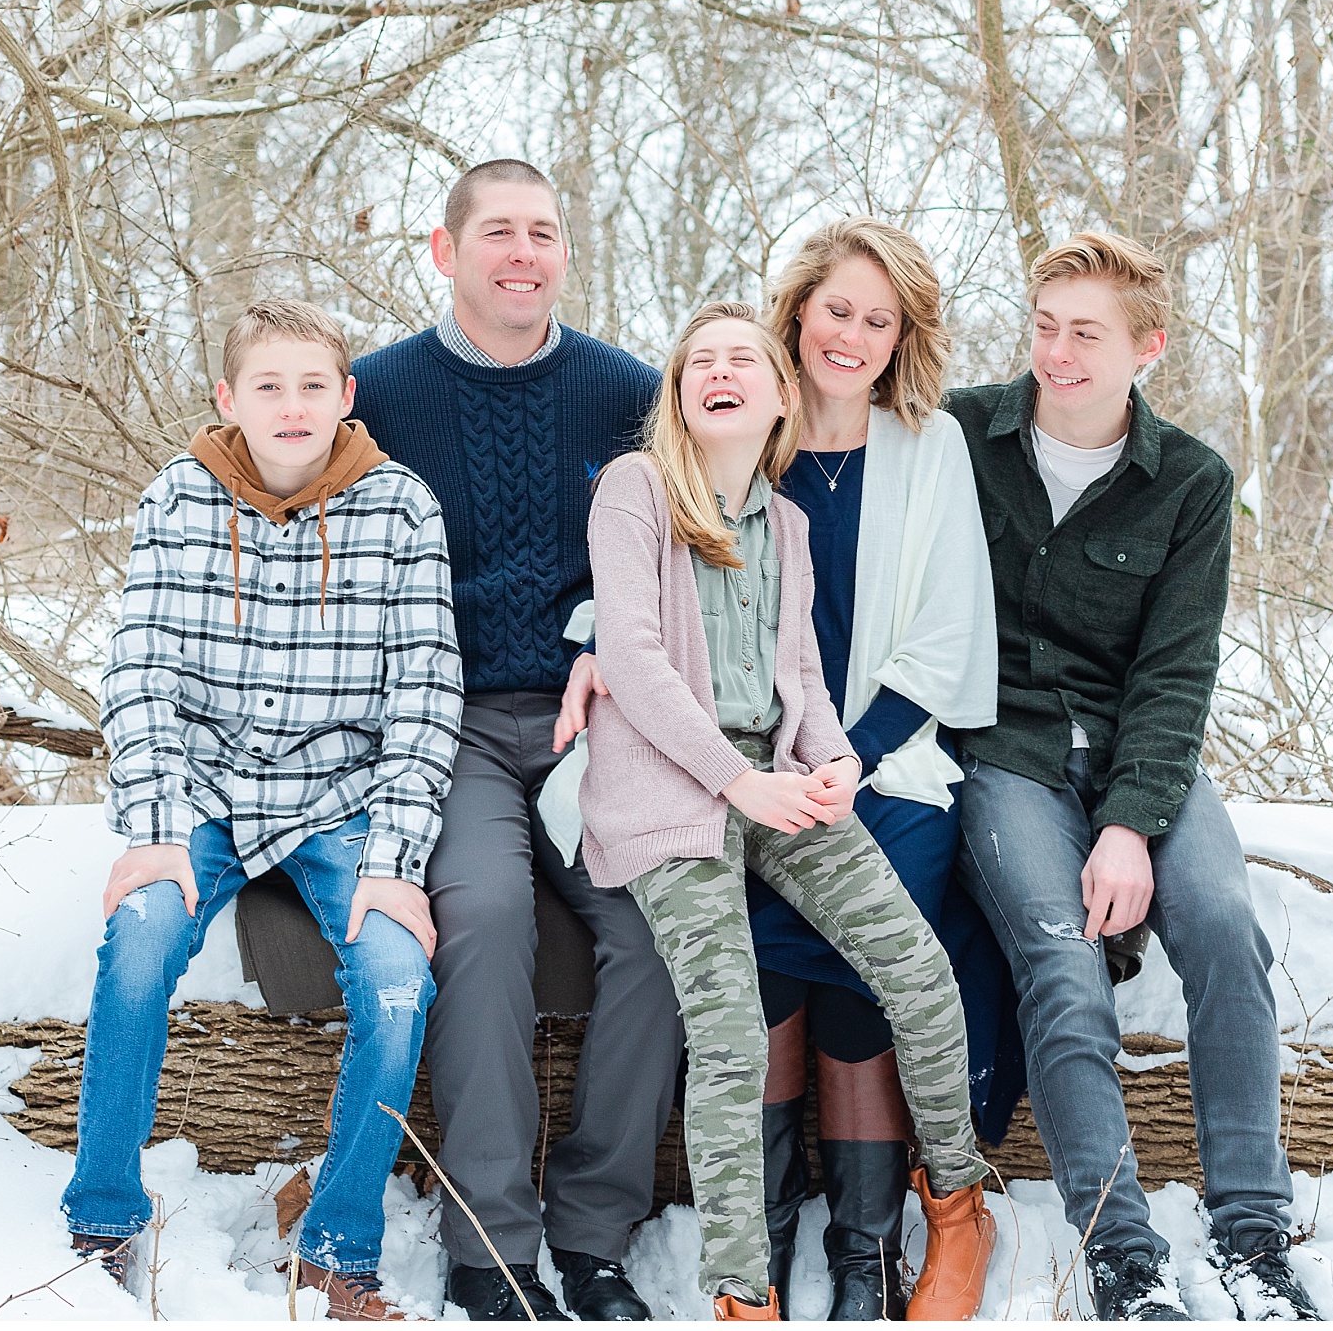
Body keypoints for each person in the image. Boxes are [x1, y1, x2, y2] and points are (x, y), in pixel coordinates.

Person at [557, 218, 1020, 1320]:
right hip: (689, 791)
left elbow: (801, 668)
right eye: (832, 309)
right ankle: (743, 1280)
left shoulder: (804, 507)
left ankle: (945, 1202)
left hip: (837, 766)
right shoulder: (640, 484)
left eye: (876, 318)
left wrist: (829, 764)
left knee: (910, 966)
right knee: (731, 1018)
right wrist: (737, 772)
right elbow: (633, 636)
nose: (850, 332)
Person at [945, 233, 1322, 1322]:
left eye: (1085, 334)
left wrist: (1127, 823)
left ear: (1144, 349)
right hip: (1002, 752)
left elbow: (1174, 672)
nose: (1056, 353)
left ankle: (1253, 1235)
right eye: (1044, 326)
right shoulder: (963, 434)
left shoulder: (1191, 481)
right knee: (1058, 961)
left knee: (1219, 924)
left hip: (1134, 750)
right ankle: (1121, 1251)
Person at [68, 299, 461, 1320]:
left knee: (393, 982)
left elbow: (425, 695)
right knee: (140, 939)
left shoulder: (401, 506)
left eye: (312, 385)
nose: (292, 406)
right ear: (227, 398)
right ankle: (101, 1216)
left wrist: (396, 859)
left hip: (343, 800)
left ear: (347, 395)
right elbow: (140, 672)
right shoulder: (177, 499)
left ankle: (335, 1246)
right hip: (203, 789)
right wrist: (155, 830)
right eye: (268, 386)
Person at [346, 160, 681, 1321]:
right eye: (498, 233)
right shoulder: (375, 394)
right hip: (450, 720)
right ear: (446, 253)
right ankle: (488, 1244)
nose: (522, 253)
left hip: (599, 714)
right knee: (480, 916)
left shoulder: (626, 392)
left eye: (543, 233)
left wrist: (604, 644)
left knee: (651, 931)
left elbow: (680, 554)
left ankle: (592, 1237)